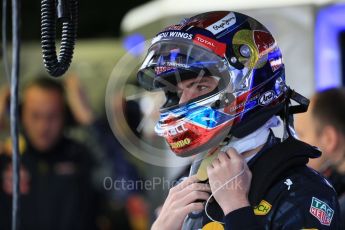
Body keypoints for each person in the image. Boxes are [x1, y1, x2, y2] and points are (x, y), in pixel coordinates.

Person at [136, 11, 343, 229]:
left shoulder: (306, 193)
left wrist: (237, 209)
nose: (184, 101)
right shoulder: (187, 188)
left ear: (246, 84)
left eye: (201, 86)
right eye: (178, 92)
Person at [0, 77, 98, 230]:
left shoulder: (82, 155)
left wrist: (89, 121)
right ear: (19, 114)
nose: (43, 126)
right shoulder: (7, 156)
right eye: (35, 115)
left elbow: (123, 183)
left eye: (52, 116)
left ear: (66, 116)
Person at [297, 88, 345, 223]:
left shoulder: (336, 215)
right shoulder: (333, 185)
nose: (295, 145)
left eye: (301, 134)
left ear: (330, 139)